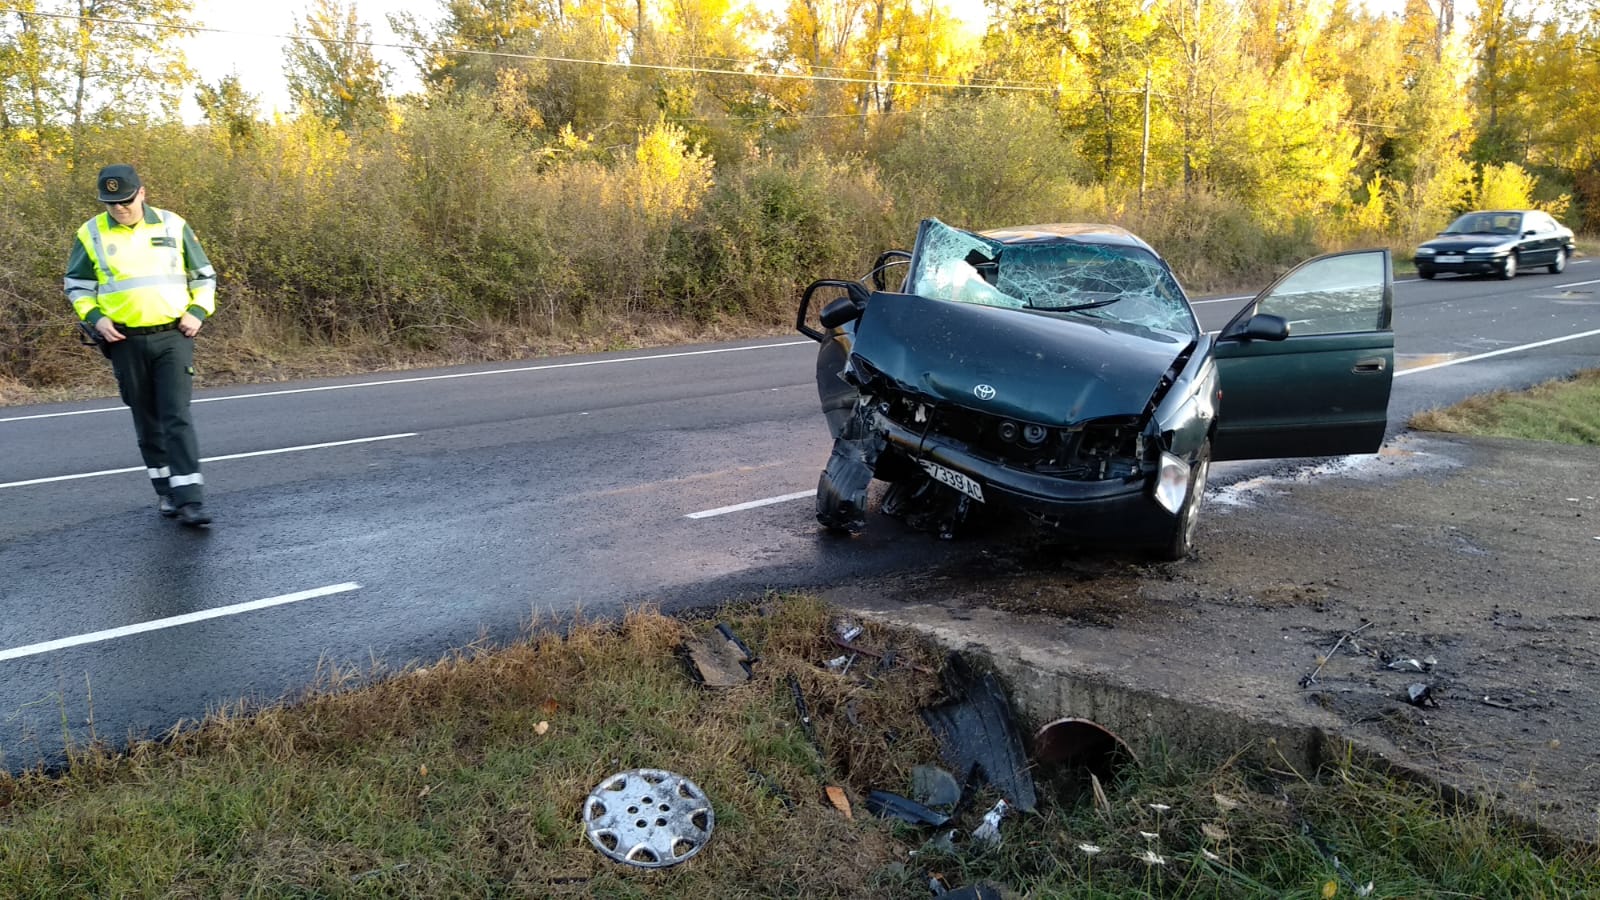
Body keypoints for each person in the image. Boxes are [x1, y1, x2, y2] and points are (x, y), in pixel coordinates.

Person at [63, 164, 217, 527]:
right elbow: (77, 286)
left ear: (142, 193)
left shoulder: (172, 224)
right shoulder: (91, 233)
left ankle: (190, 499)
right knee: (146, 418)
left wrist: (197, 310)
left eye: (126, 200)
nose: (119, 208)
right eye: (111, 203)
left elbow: (204, 276)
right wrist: (96, 318)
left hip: (173, 336)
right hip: (124, 340)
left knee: (175, 415)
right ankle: (166, 491)